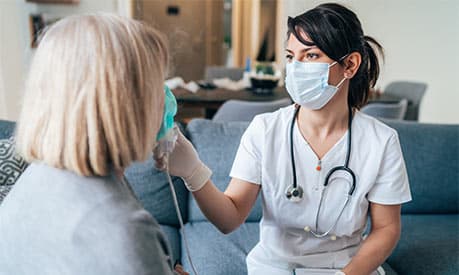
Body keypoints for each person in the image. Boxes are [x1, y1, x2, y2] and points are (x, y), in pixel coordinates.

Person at [165, 3, 411, 275]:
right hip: (275, 267)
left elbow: (387, 228)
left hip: (346, 269)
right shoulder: (265, 130)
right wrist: (193, 172)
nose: (295, 68)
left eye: (311, 55)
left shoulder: (381, 141)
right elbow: (229, 218)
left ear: (350, 65)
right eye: (291, 56)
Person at [0, 14, 187, 275]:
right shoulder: (122, 231)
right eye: (157, 86)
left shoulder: (34, 181)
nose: (167, 99)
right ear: (127, 104)